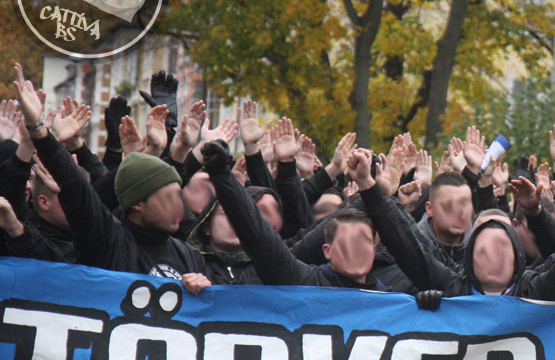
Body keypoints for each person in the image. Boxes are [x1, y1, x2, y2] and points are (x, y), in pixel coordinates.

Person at [14, 64, 211, 294]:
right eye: (168, 198)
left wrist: (204, 291)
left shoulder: (189, 256)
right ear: (138, 203)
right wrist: (39, 132)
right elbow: (76, 187)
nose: (179, 207)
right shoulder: (107, 240)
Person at [351, 148, 555, 299]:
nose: (493, 257)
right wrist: (368, 186)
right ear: (470, 260)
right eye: (483, 251)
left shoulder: (533, 292)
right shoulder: (454, 289)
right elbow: (406, 245)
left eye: (501, 248)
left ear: (517, 257)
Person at [201, 140, 386, 290]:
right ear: (327, 250)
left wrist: (376, 191)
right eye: (347, 242)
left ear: (374, 250)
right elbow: (257, 233)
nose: (355, 250)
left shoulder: (389, 300)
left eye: (362, 241)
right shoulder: (302, 281)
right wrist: (221, 174)